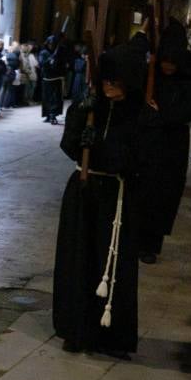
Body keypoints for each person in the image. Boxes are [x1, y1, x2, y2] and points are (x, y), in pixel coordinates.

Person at [52, 41, 145, 356]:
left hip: (117, 197)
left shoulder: (140, 112)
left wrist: (104, 150)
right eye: (106, 81)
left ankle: (111, 337)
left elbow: (140, 158)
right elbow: (69, 145)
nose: (109, 87)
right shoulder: (90, 105)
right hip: (84, 191)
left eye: (115, 82)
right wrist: (80, 126)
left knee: (112, 264)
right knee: (77, 259)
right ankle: (75, 329)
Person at [135, 20, 191, 264]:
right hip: (148, 144)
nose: (168, 66)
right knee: (142, 191)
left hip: (172, 147)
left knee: (163, 195)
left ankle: (151, 243)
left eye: (172, 62)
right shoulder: (151, 74)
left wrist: (162, 116)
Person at [39, 35, 67, 124]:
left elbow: (63, 64)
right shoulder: (44, 52)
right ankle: (48, 115)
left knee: (55, 98)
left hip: (56, 78)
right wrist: (50, 59)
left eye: (53, 44)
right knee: (46, 98)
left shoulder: (59, 53)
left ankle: (53, 115)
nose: (51, 46)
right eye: (50, 44)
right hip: (47, 78)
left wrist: (56, 59)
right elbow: (42, 63)